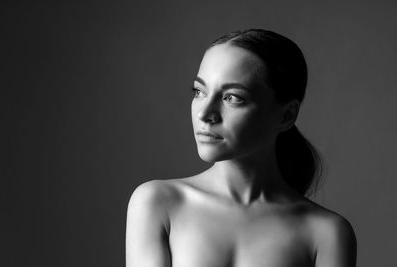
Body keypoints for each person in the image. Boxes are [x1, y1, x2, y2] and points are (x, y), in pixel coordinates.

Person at [125, 29, 357, 267]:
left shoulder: (327, 233)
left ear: (286, 115)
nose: (205, 114)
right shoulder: (157, 203)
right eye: (199, 91)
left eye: (232, 97)